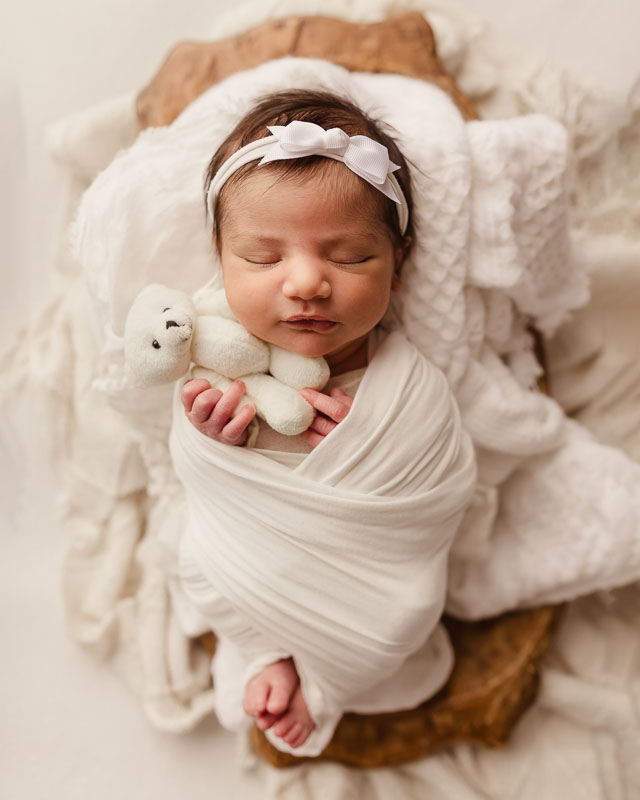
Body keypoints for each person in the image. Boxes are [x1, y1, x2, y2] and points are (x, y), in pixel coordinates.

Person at [170, 89, 476, 755]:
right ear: (220, 256)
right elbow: (201, 480)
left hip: (371, 576)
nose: (306, 282)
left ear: (399, 264)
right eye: (263, 257)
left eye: (348, 256)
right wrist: (211, 432)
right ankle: (262, 650)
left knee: (407, 612)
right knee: (193, 560)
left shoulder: (406, 384)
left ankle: (325, 683)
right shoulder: (216, 354)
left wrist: (375, 444)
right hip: (247, 548)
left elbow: (445, 486)